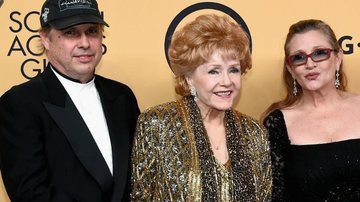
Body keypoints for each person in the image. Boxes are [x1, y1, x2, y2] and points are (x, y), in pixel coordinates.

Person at [0, 0, 140, 201]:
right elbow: (29, 195)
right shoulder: (20, 104)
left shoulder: (122, 96)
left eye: (92, 31)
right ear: (46, 39)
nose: (84, 43)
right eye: (70, 32)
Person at [130, 14, 272, 201]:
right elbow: (140, 197)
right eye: (214, 71)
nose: (227, 81)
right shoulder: (157, 123)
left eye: (233, 70)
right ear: (189, 78)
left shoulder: (254, 132)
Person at [261, 19, 360, 201]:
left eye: (319, 53)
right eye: (299, 57)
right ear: (290, 69)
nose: (310, 64)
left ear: (338, 59)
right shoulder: (276, 123)